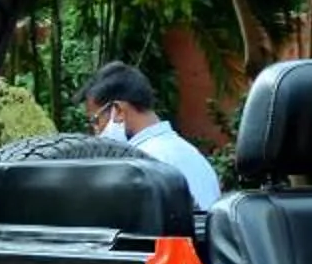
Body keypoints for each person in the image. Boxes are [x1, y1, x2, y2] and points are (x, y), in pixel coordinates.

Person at [81, 62, 223, 211]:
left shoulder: (142, 165)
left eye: (95, 121)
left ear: (118, 111)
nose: (96, 132)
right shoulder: (188, 152)